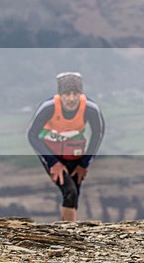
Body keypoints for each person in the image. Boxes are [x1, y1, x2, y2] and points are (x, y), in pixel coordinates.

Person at [27, 72, 105, 221]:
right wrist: (52, 162)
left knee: (74, 192)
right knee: (70, 191)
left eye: (75, 94)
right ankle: (69, 233)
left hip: (76, 154)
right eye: (67, 94)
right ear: (60, 95)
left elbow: (98, 134)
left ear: (80, 94)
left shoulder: (91, 109)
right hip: (51, 154)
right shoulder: (48, 107)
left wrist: (84, 163)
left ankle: (67, 229)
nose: (71, 98)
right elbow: (32, 135)